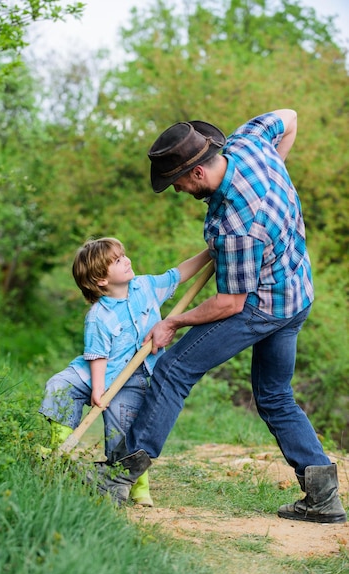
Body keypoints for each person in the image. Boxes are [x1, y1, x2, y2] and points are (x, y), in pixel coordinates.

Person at [90, 110, 347, 524]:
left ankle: (119, 478)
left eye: (175, 182)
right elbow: (290, 116)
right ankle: (323, 498)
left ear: (195, 173)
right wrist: (275, 170)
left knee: (173, 369)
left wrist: (172, 322)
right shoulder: (249, 145)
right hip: (297, 292)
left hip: (261, 306)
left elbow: (230, 303)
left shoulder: (237, 226)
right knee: (275, 395)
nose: (175, 190)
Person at [39, 236, 210, 506]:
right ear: (101, 281)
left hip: (134, 379)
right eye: (118, 261)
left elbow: (178, 274)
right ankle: (61, 452)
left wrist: (209, 253)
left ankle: (137, 484)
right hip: (94, 373)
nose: (127, 260)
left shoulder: (146, 286)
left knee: (124, 430)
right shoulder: (99, 316)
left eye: (123, 255)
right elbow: (97, 355)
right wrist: (98, 390)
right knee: (60, 386)